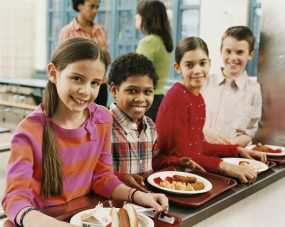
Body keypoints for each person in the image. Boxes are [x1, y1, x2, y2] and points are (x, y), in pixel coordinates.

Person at [2, 38, 168, 227]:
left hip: (87, 217)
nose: (85, 91)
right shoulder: (29, 131)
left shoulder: (102, 119)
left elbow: (102, 178)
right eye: (77, 78)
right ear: (53, 73)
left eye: (95, 83)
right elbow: (14, 199)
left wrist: (140, 196)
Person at [154, 37, 267, 184]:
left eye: (202, 63)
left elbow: (198, 146)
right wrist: (225, 166)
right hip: (168, 174)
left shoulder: (198, 98)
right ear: (178, 68)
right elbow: (183, 154)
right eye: (189, 65)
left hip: (189, 170)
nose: (197, 70)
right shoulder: (176, 96)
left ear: (210, 64)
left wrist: (237, 150)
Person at [108, 53, 204, 191]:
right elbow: (94, 173)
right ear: (114, 90)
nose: (141, 98)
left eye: (147, 92)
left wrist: (178, 161)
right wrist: (119, 178)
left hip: (149, 202)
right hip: (113, 206)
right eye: (132, 91)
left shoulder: (150, 126)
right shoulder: (103, 126)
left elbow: (155, 160)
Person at [202, 26, 262, 147]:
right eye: (228, 51)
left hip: (234, 156)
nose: (233, 58)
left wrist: (231, 145)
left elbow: (250, 132)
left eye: (240, 52)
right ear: (221, 51)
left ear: (250, 54)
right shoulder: (205, 82)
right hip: (202, 152)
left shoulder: (254, 90)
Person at [59, 0, 108, 106]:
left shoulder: (101, 30)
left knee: (99, 120)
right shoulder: (68, 32)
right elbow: (63, 64)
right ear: (80, 6)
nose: (95, 11)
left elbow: (105, 58)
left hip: (100, 85)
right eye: (91, 6)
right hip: (79, 87)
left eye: (97, 7)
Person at [136, 0, 173, 121]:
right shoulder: (163, 41)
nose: (136, 17)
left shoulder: (149, 42)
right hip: (160, 98)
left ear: (146, 18)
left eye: (139, 14)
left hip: (146, 99)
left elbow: (138, 74)